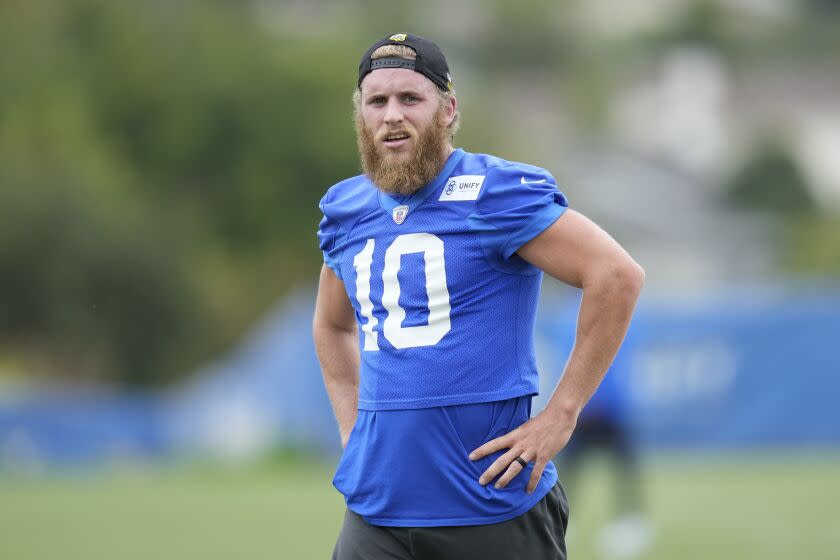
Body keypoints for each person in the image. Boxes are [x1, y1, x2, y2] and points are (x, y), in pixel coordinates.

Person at [312, 32, 644, 560]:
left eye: (409, 99)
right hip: (376, 510)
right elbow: (332, 326)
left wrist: (562, 414)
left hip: (488, 503)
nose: (392, 115)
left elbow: (616, 276)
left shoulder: (494, 191)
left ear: (447, 110)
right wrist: (354, 432)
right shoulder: (347, 209)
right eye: (377, 101)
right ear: (361, 115)